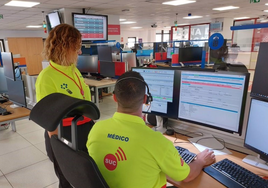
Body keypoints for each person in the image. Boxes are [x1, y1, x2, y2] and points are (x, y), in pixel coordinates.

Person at [86, 71, 215, 188]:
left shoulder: (96, 129)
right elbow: (187, 176)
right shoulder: (157, 141)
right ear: (145, 99)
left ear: (114, 98)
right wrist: (200, 161)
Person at [35, 23, 93, 188]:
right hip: (63, 134)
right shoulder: (47, 77)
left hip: (84, 128)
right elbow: (48, 119)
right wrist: (60, 150)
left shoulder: (73, 69)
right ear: (63, 47)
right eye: (76, 48)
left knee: (87, 177)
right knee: (67, 180)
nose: (80, 52)